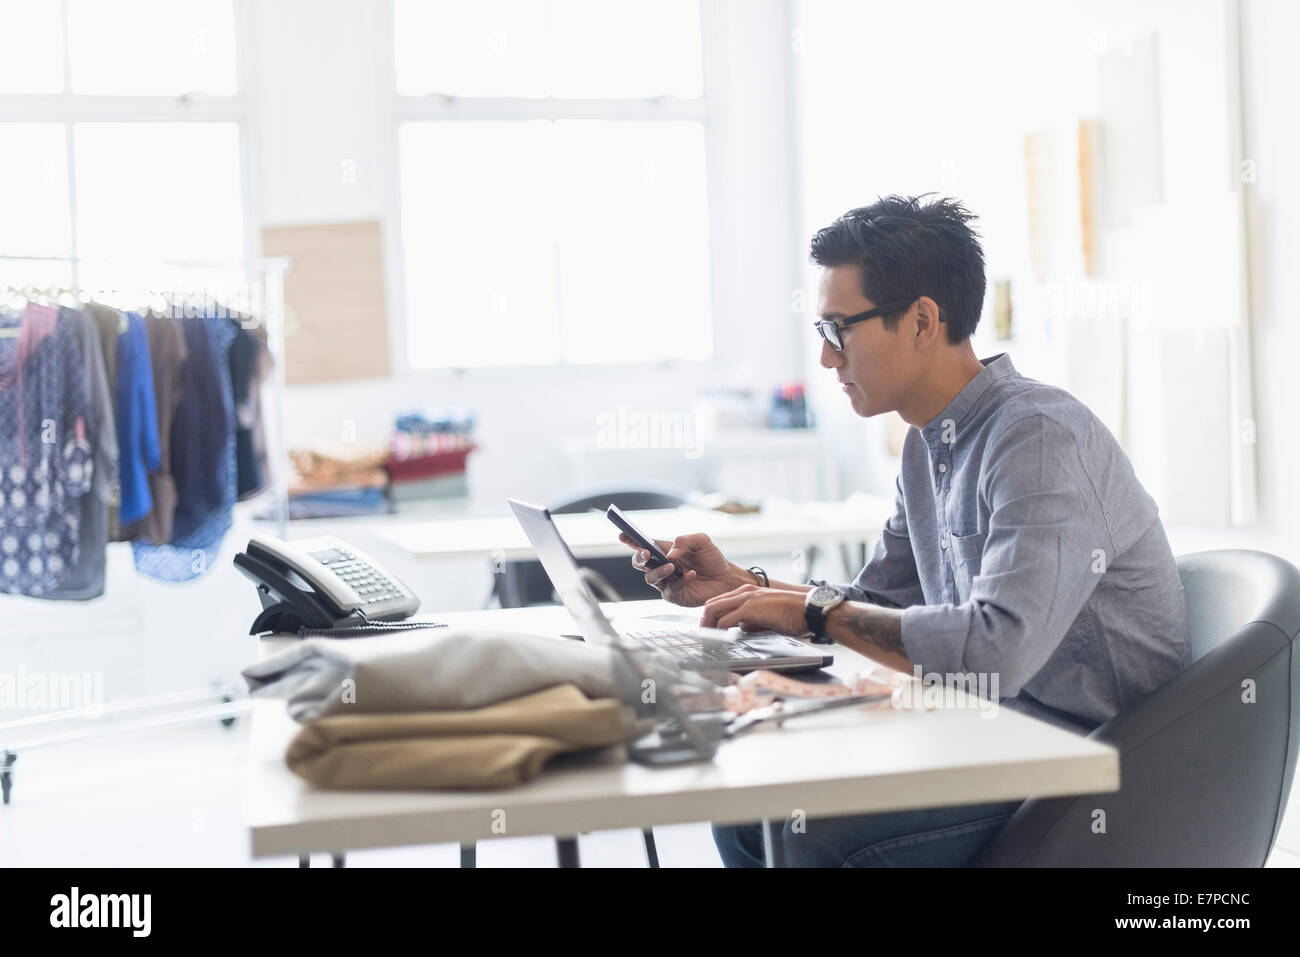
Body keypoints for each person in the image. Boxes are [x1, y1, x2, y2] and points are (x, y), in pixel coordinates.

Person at [620, 194, 1192, 867]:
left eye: (838, 329)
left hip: (1087, 759)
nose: (827, 359)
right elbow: (878, 603)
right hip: (992, 729)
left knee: (801, 835)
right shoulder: (929, 445)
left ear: (921, 319)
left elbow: (996, 650)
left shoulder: (1037, 439)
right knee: (749, 816)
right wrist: (746, 584)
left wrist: (811, 610)